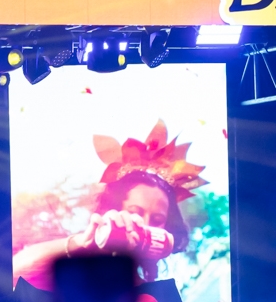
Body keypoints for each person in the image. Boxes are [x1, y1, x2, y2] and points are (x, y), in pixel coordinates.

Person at [13, 120, 203, 291]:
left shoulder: (161, 296)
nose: (144, 224)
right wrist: (83, 242)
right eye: (134, 212)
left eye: (157, 219)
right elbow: (15, 273)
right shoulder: (77, 269)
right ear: (113, 211)